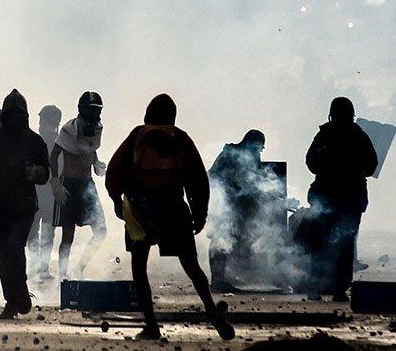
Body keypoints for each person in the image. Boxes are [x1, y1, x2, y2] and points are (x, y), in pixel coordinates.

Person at [105, 94, 234, 341]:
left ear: (147, 113)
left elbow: (114, 170)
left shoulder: (137, 135)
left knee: (139, 267)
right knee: (192, 266)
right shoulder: (181, 138)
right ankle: (211, 311)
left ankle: (151, 325)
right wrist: (200, 213)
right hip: (173, 209)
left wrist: (116, 201)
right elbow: (198, 180)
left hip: (140, 211)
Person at [0, 89, 50, 319]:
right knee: (2, 254)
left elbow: (46, 173)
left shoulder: (35, 142)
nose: (15, 120)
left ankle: (20, 290)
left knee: (14, 248)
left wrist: (35, 172)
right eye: (11, 115)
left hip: (23, 208)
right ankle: (12, 299)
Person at [303, 97, 378, 302]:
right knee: (344, 245)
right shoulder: (358, 136)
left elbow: (310, 162)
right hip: (349, 199)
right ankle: (338, 290)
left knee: (321, 244)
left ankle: (316, 288)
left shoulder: (325, 135)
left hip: (329, 198)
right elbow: (372, 166)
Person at [50, 92, 108, 280]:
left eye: (96, 111)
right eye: (90, 110)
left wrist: (96, 163)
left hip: (87, 186)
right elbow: (53, 156)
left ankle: (80, 267)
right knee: (68, 235)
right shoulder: (69, 129)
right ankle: (63, 276)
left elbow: (89, 149)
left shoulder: (97, 129)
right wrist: (55, 182)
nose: (94, 115)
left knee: (101, 231)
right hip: (70, 185)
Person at [207, 129, 273, 292]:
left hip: (237, 206)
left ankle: (223, 278)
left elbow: (255, 181)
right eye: (259, 147)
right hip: (225, 204)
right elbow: (214, 177)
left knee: (230, 241)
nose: (259, 151)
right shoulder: (229, 155)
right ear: (251, 143)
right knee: (221, 240)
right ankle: (217, 280)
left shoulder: (250, 157)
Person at [27, 104, 61, 280]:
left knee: (48, 234)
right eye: (41, 121)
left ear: (54, 123)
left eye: (45, 122)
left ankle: (43, 268)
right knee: (32, 233)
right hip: (33, 196)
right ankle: (35, 266)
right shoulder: (33, 141)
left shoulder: (60, 144)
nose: (41, 125)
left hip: (50, 197)